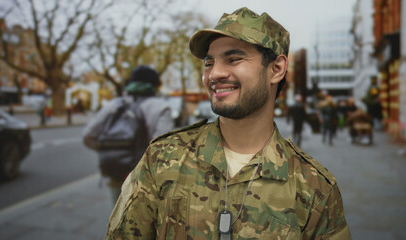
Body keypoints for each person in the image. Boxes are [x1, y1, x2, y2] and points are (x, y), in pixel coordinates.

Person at [105, 8, 351, 239]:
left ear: (276, 69)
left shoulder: (315, 187)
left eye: (233, 59)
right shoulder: (162, 158)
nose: (214, 74)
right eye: (209, 63)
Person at [83, 65, 174, 205]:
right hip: (147, 180)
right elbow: (162, 149)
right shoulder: (161, 107)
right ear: (155, 84)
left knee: (119, 219)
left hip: (117, 173)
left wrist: (113, 150)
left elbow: (88, 136)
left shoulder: (113, 105)